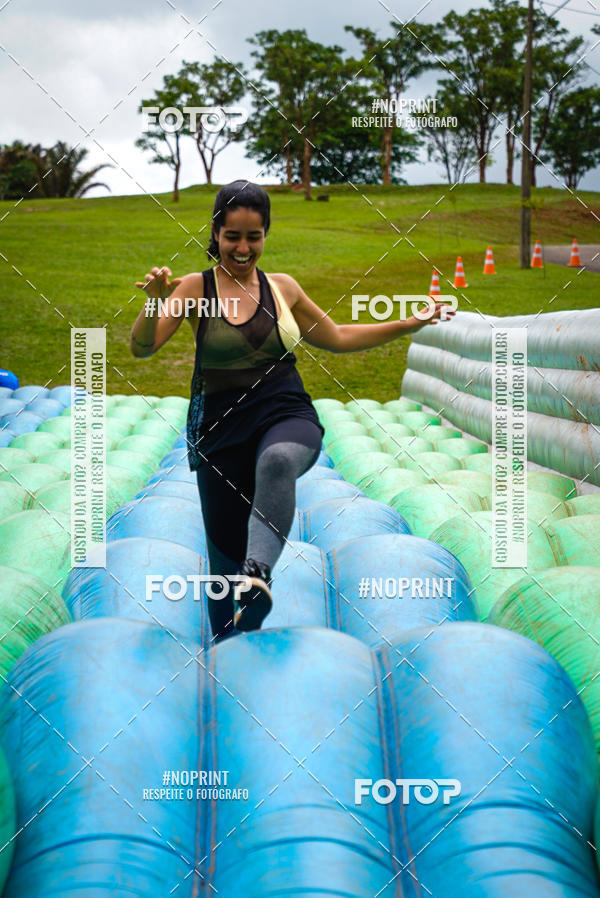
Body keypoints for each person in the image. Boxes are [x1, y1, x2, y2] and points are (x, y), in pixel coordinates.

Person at [131, 180, 455, 643]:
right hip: (219, 430)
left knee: (279, 460)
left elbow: (338, 337)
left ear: (265, 234)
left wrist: (408, 322)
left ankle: (258, 572)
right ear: (216, 233)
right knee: (221, 562)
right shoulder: (193, 288)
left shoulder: (282, 288)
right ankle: (228, 637)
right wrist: (153, 302)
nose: (243, 248)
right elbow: (144, 349)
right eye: (232, 236)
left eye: (254, 236)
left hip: (285, 411)